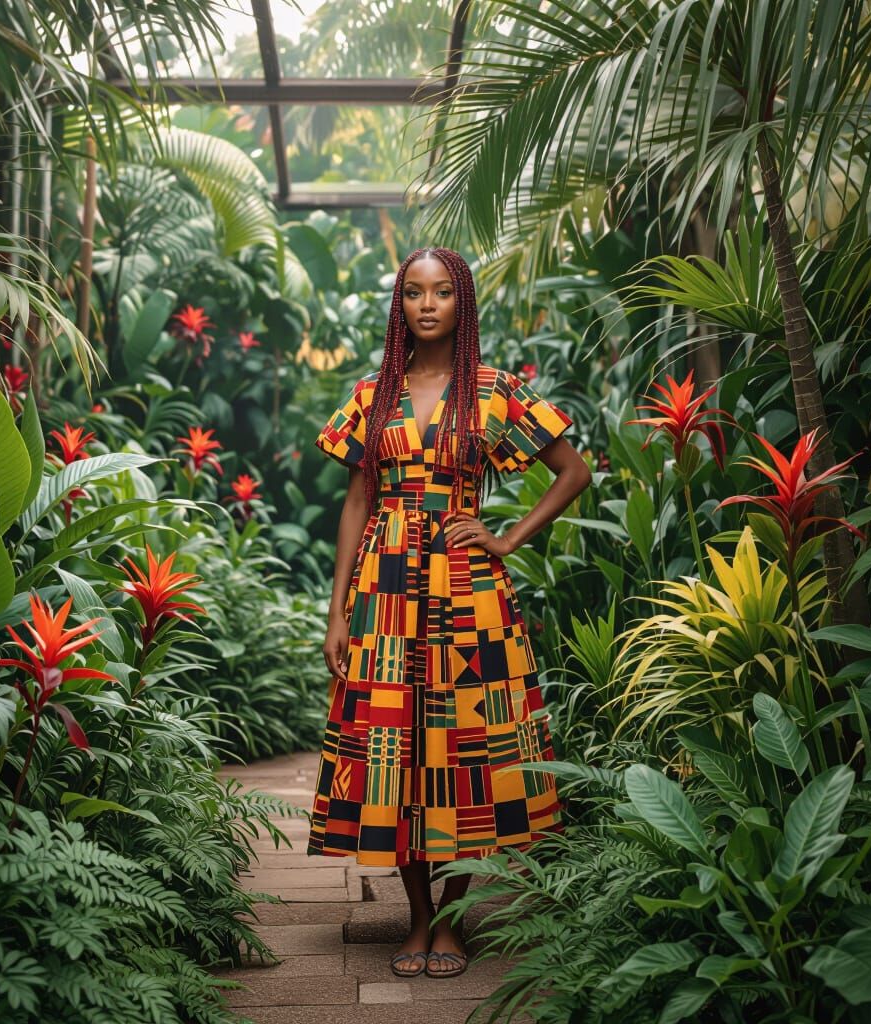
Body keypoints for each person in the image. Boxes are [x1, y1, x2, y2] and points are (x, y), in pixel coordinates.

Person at [307, 247, 592, 981]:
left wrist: (506, 538)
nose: (426, 305)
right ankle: (419, 917)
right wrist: (337, 611)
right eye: (412, 293)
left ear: (461, 303)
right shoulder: (373, 395)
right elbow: (357, 503)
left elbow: (574, 471)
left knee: (468, 744)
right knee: (392, 741)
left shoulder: (493, 392)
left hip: (469, 589)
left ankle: (456, 914)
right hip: (386, 587)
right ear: (398, 305)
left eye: (440, 293)